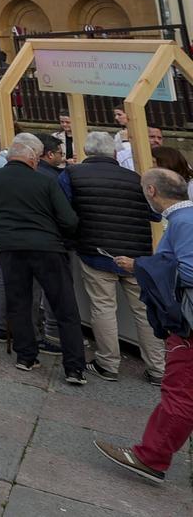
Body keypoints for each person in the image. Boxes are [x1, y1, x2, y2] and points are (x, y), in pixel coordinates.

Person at [92, 167, 193, 482]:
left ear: (151, 191)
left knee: (180, 392)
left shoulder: (183, 223)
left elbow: (188, 272)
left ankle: (151, 458)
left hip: (188, 325)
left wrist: (141, 265)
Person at [0, 131, 87, 383]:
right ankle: (74, 367)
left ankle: (26, 356)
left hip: (11, 247)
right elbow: (69, 219)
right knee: (64, 306)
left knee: (19, 302)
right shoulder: (45, 181)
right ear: (34, 158)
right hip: (47, 248)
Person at [65, 129, 168, 382]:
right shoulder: (135, 178)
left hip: (96, 251)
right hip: (137, 254)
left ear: (87, 151)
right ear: (113, 152)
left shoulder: (72, 175)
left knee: (103, 307)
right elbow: (155, 214)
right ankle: (158, 368)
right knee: (144, 310)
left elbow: (65, 211)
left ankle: (108, 363)